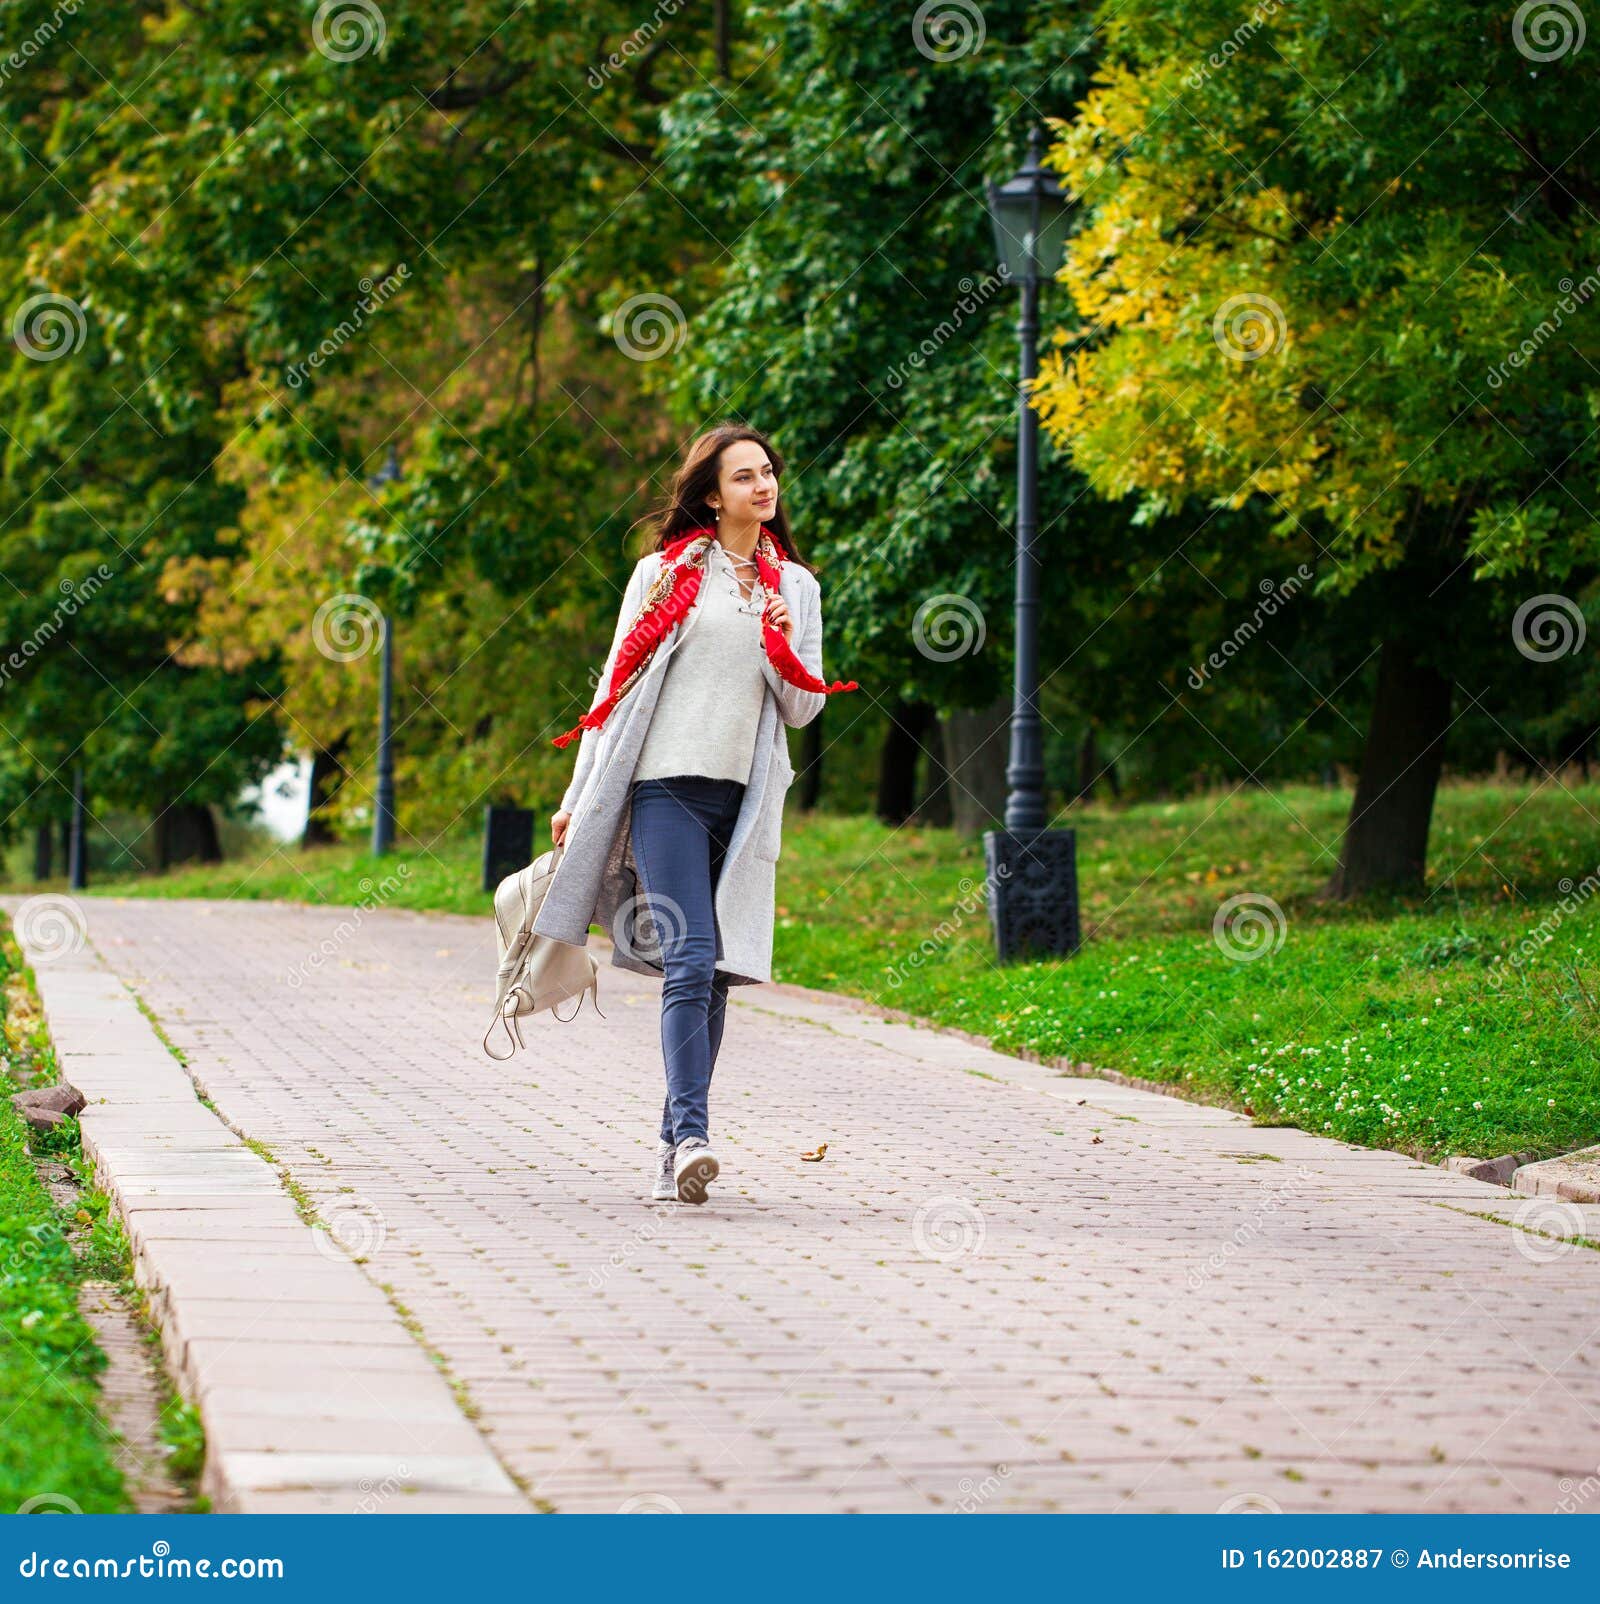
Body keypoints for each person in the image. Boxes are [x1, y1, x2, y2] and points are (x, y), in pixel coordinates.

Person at [538, 423, 858, 1205]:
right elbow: (612, 692)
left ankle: (669, 1142)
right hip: (664, 788)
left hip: (743, 799)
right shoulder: (661, 574)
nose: (764, 485)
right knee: (688, 954)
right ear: (712, 495)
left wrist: (784, 645)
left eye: (769, 473)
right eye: (745, 476)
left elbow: (804, 710)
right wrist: (577, 796)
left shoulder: (799, 589)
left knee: (714, 970)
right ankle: (690, 1136)